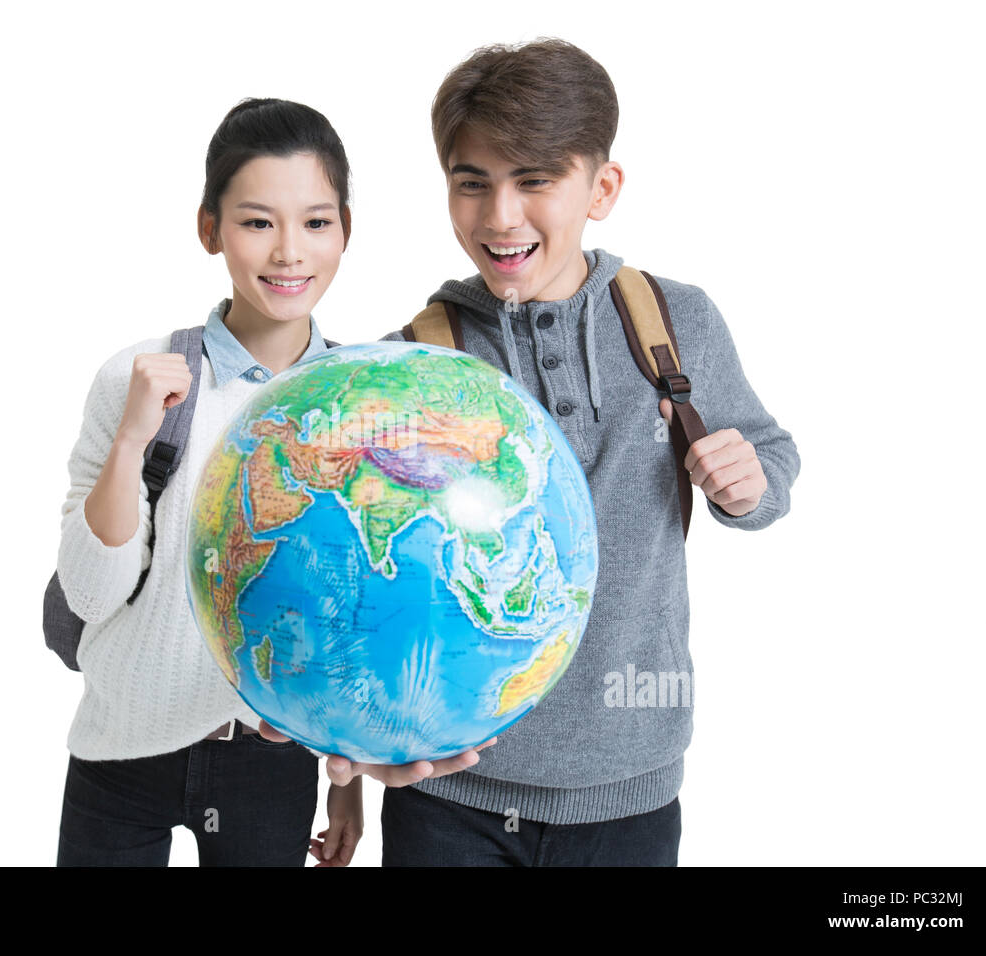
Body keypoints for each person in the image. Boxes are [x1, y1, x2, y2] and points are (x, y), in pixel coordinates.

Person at [269, 37, 802, 866]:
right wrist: (343, 783)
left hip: (630, 782)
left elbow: (768, 456)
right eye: (471, 182)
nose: (500, 216)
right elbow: (337, 574)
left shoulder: (675, 322)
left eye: (535, 181)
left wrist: (750, 483)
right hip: (451, 795)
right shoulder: (405, 370)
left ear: (603, 188)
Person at [53, 98, 367, 867]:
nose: (290, 252)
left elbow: (356, 610)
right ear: (210, 230)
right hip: (120, 749)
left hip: (269, 763)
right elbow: (91, 596)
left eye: (316, 222)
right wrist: (132, 438)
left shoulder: (364, 402)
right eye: (258, 222)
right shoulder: (141, 379)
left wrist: (347, 780)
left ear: (345, 232)